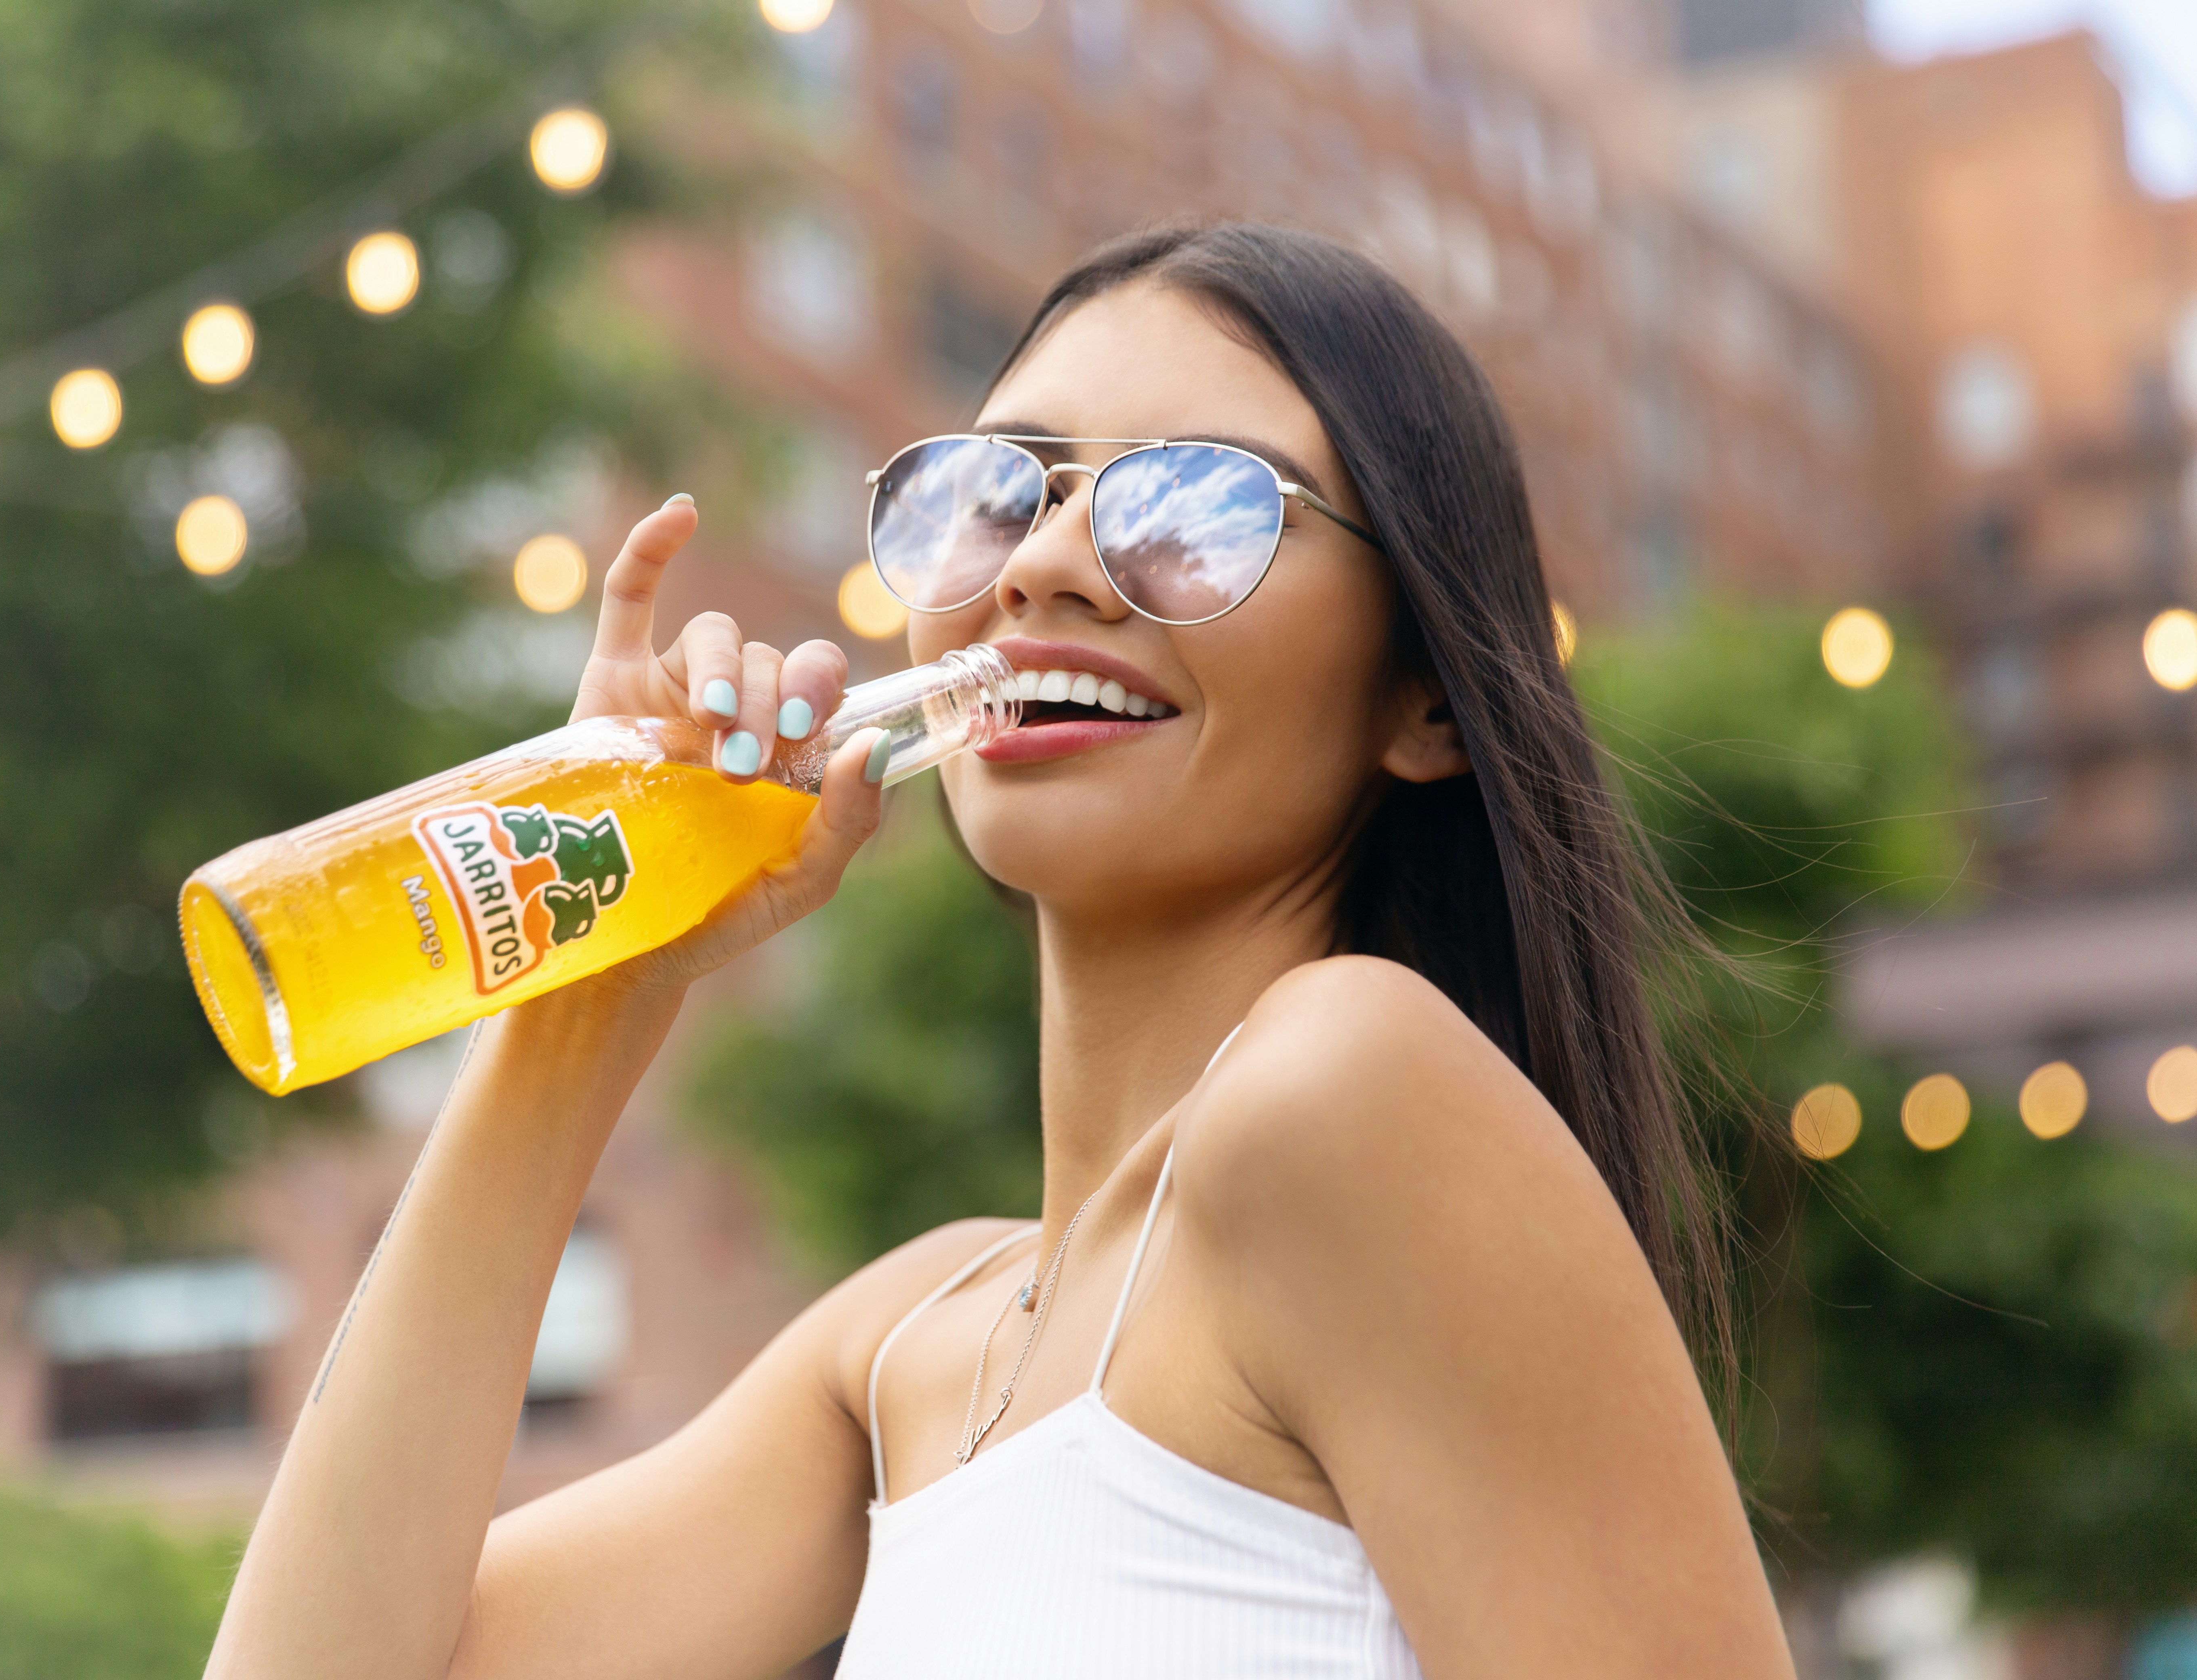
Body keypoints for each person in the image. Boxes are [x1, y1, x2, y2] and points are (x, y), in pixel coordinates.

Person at [207, 223, 1796, 1678]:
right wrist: (592, 984)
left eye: (1190, 510)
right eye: (998, 494)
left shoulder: (1349, 1088)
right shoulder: (909, 1344)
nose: (1040, 565)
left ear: (1425, 700)